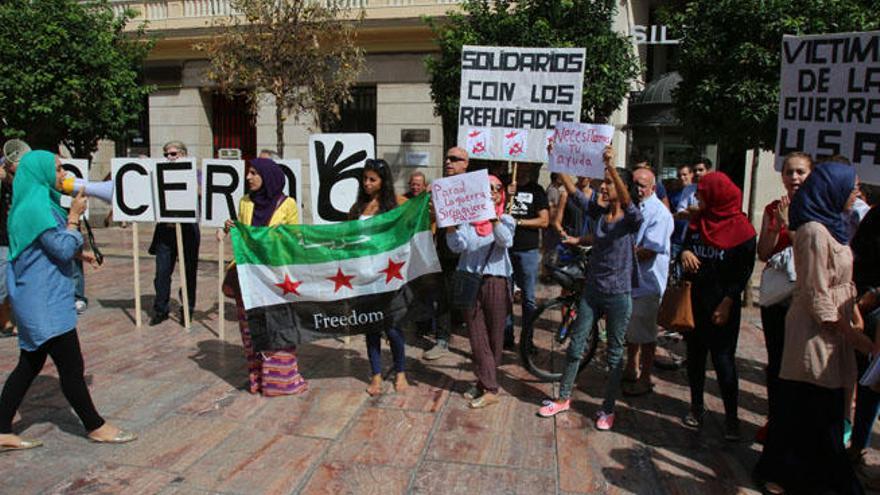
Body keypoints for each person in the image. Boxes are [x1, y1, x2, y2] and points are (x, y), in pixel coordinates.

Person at [0, 150, 136, 451]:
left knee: (30, 364)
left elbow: (43, 246)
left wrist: (79, 251)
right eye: (58, 169)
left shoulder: (33, 200)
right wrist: (74, 219)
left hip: (36, 295)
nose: (63, 175)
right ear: (40, 172)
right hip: (43, 300)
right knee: (71, 366)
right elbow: (58, 247)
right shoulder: (36, 207)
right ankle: (95, 426)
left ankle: (1, 429)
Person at [755, 161, 873, 495]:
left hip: (835, 330)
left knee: (818, 411)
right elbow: (815, 294)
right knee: (812, 409)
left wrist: (853, 317)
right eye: (851, 187)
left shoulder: (831, 226)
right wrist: (853, 335)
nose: (855, 193)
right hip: (815, 334)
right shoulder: (811, 233)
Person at [538, 146, 642, 431]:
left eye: (608, 184)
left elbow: (628, 202)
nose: (602, 187)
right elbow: (574, 193)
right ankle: (563, 398)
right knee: (576, 345)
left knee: (614, 354)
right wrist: (556, 160)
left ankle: (608, 408)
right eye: (603, 182)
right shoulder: (599, 212)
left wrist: (610, 166)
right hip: (593, 291)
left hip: (618, 295)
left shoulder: (631, 218)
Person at [679, 171, 756, 441]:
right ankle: (696, 406)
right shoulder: (698, 221)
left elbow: (744, 271)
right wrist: (685, 252)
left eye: (703, 191)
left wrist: (727, 302)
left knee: (724, 363)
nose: (698, 195)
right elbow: (685, 246)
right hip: (695, 303)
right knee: (695, 358)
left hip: (723, 306)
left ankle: (731, 419)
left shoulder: (743, 229)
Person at [223, 158, 308, 397]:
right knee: (251, 328)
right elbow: (245, 235)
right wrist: (234, 227)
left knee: (278, 327)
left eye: (253, 173)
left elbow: (293, 239)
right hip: (247, 276)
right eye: (248, 173)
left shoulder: (288, 204)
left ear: (268, 176)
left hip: (276, 278)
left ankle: (280, 381)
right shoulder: (245, 202)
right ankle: (257, 379)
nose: (248, 177)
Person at [754, 151, 812, 443]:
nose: (794, 178)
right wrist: (777, 225)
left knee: (800, 364)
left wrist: (791, 223)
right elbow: (764, 252)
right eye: (789, 172)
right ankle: (775, 419)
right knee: (776, 361)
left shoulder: (818, 209)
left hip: (805, 298)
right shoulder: (772, 208)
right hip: (778, 298)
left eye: (800, 172)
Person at [447, 175, 515, 408]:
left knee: (496, 338)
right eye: (488, 188)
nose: (494, 192)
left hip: (496, 282)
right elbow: (457, 246)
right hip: (470, 281)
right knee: (477, 337)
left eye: (498, 189)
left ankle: (484, 383)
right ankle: (489, 386)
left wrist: (493, 219)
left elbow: (505, 241)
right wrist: (449, 227)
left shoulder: (506, 219)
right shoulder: (467, 221)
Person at [348, 159, 409, 395]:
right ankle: (375, 375)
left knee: (393, 328)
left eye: (372, 179)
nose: (367, 184)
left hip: (387, 278)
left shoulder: (393, 210)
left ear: (383, 182)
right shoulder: (356, 210)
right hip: (363, 279)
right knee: (371, 327)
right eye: (364, 179)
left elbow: (401, 240)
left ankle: (401, 371)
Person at [623, 168, 673, 396]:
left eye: (643, 185)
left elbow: (649, 251)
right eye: (634, 184)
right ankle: (631, 367)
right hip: (631, 282)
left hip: (648, 283)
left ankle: (646, 377)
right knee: (633, 330)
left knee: (646, 334)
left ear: (653, 187)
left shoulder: (659, 213)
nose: (638, 189)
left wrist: (620, 254)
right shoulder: (633, 208)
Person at [423, 147, 469, 361]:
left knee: (470, 298)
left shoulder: (475, 187)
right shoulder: (439, 187)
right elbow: (434, 216)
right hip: (444, 250)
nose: (448, 162)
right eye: (447, 158)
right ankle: (442, 339)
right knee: (443, 296)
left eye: (455, 159)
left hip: (470, 253)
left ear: (465, 163)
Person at [149, 141, 200, 326]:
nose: (170, 158)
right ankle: (161, 309)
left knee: (188, 272)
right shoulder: (158, 174)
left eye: (173, 154)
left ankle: (188, 308)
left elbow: (202, 193)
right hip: (165, 230)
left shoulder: (196, 172)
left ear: (184, 154)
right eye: (166, 155)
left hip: (188, 230)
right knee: (162, 272)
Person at [849, 204, 880, 487]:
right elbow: (858, 255)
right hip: (869, 313)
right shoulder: (876, 216)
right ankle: (856, 448)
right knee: (870, 384)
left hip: (872, 307)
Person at [506, 161, 550, 347]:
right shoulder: (506, 186)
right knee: (505, 296)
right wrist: (506, 196)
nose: (522, 169)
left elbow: (544, 221)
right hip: (505, 250)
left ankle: (527, 340)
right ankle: (506, 337)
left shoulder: (537, 191)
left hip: (528, 250)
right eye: (519, 166)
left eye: (526, 167)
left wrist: (518, 222)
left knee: (528, 297)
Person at [0, 156, 17, 337]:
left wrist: (9, 178)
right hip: (2, 238)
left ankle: (7, 319)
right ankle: (4, 321)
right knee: (3, 283)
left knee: (9, 280)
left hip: (9, 235)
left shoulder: (8, 170)